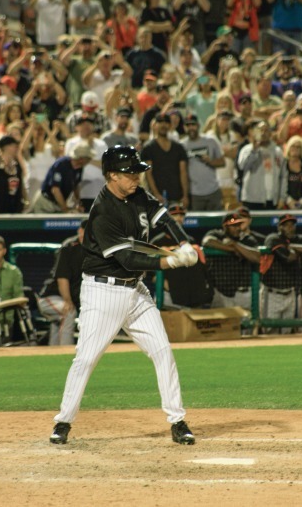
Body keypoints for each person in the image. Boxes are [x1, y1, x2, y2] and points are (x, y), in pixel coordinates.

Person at [49, 145, 198, 446]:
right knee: (87, 358)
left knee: (162, 351)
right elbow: (128, 259)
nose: (137, 177)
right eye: (130, 173)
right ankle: (63, 421)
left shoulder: (138, 194)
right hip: (103, 291)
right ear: (112, 175)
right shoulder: (103, 211)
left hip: (135, 291)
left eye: (138, 171)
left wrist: (185, 244)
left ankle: (177, 420)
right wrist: (169, 261)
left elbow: (165, 218)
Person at [38, 220, 87, 345]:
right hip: (50, 297)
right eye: (82, 232)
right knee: (68, 312)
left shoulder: (94, 249)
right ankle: (65, 352)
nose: (83, 235)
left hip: (64, 299)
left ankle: (52, 356)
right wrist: (67, 300)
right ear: (79, 231)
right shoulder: (69, 247)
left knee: (59, 324)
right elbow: (62, 277)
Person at [202, 211, 260, 310]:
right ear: (225, 227)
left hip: (243, 293)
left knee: (246, 324)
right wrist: (232, 250)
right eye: (233, 226)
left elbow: (257, 257)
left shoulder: (247, 239)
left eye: (238, 225)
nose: (237, 228)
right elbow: (207, 241)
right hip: (221, 293)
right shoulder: (217, 234)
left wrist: (235, 245)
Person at [260, 214, 302, 333]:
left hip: (291, 293)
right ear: (280, 227)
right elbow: (289, 258)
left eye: (292, 225)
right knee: (269, 331)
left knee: (287, 332)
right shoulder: (273, 238)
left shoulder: (296, 239)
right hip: (272, 293)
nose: (290, 228)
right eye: (286, 225)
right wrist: (297, 250)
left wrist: (293, 247)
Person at [31, 140, 93, 213]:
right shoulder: (61, 164)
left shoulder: (79, 168)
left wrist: (78, 203)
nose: (90, 160)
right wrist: (65, 209)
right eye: (88, 158)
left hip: (57, 203)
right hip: (45, 202)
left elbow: (75, 186)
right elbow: (55, 190)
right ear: (81, 158)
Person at [237, 120, 288, 209]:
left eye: (266, 130)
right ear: (255, 133)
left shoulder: (277, 151)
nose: (263, 133)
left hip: (272, 199)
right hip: (252, 199)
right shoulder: (246, 150)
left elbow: (283, 176)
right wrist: (254, 150)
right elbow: (243, 167)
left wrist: (282, 198)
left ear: (271, 133)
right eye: (260, 130)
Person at [142, 112, 188, 208]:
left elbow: (183, 172)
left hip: (176, 197)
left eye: (166, 122)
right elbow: (148, 173)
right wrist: (156, 194)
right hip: (156, 198)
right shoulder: (148, 148)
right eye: (160, 122)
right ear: (155, 125)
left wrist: (185, 195)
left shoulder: (178, 148)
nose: (163, 125)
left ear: (170, 126)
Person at [181, 113, 225, 210]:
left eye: (193, 125)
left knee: (216, 223)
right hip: (195, 193)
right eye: (188, 125)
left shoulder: (210, 141)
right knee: (197, 223)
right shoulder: (182, 145)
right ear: (184, 127)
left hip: (213, 190)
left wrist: (211, 162)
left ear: (198, 125)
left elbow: (222, 162)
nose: (191, 128)